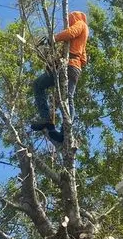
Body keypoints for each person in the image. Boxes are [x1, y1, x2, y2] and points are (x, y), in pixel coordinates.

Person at [30, 10, 89, 145]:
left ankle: (64, 130)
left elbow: (71, 32)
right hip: (71, 67)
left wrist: (53, 39)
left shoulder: (81, 24)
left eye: (69, 20)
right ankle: (49, 122)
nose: (68, 23)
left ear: (73, 18)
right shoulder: (79, 41)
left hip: (70, 66)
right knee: (42, 86)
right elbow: (84, 59)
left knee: (67, 97)